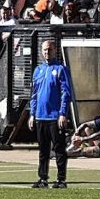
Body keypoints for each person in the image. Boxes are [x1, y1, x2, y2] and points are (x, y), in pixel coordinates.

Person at [28, 40, 74, 188]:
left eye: (50, 50)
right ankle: (43, 178)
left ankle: (61, 179)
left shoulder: (60, 69)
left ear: (55, 51)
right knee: (43, 149)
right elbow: (34, 94)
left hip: (54, 116)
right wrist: (32, 113)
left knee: (59, 148)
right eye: (45, 50)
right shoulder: (38, 70)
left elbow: (65, 93)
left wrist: (62, 113)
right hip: (40, 116)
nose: (47, 52)